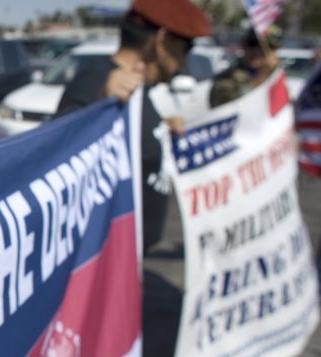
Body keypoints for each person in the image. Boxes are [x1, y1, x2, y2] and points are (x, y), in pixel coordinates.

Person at [55, 0, 211, 252]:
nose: (183, 62)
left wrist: (162, 127)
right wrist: (100, 104)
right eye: (184, 48)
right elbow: (57, 158)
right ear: (161, 42)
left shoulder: (138, 88)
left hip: (132, 257)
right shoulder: (97, 84)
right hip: (107, 261)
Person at [210, 26, 283, 108]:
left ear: (277, 49)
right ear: (244, 45)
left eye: (268, 47)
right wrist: (261, 77)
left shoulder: (279, 77)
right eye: (252, 44)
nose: (257, 51)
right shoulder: (226, 78)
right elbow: (227, 109)